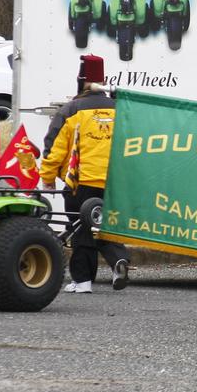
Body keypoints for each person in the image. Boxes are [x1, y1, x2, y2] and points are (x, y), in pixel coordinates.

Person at [40, 54, 129, 293]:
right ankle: (118, 259)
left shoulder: (71, 110)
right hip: (115, 181)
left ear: (81, 82)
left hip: (81, 181)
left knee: (81, 230)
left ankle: (82, 280)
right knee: (106, 226)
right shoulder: (121, 109)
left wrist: (47, 178)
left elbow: (54, 149)